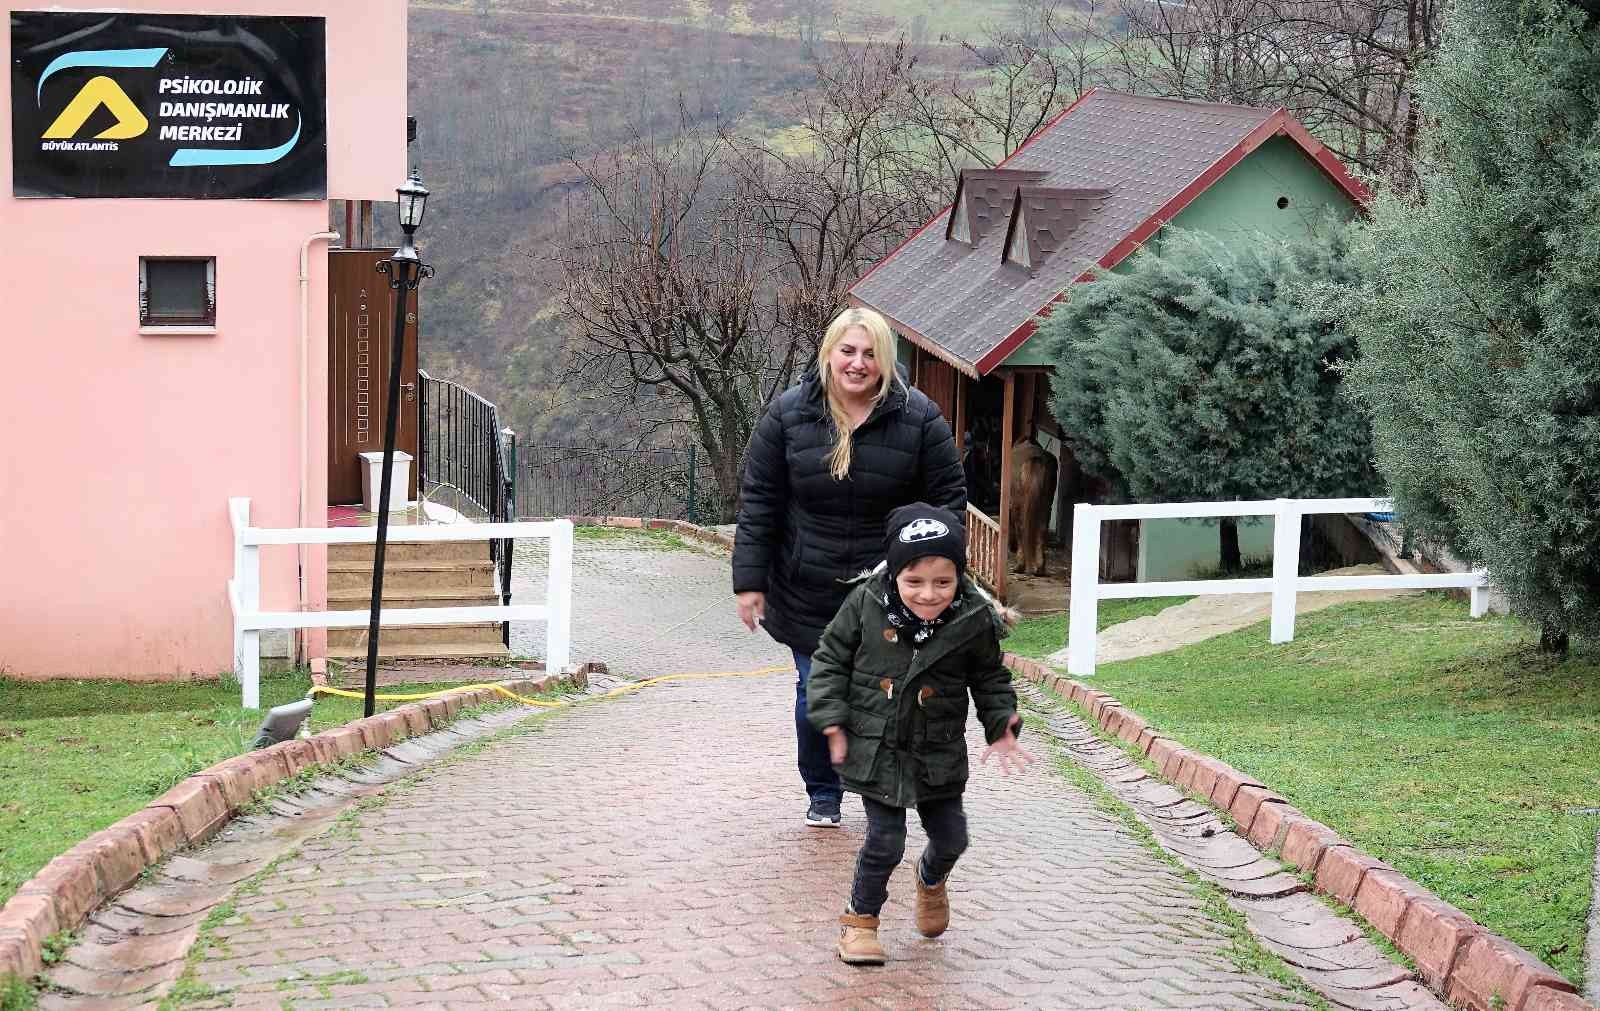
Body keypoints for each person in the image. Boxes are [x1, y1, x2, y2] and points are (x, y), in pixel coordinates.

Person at [733, 306, 965, 828]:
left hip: (888, 594)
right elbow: (760, 503)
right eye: (848, 351)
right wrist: (749, 581)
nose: (857, 364)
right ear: (829, 354)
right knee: (818, 692)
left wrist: (933, 571)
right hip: (807, 586)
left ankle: (880, 785)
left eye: (870, 354)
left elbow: (948, 502)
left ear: (885, 361)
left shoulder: (919, 419)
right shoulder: (788, 416)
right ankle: (823, 790)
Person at [806, 502, 1033, 965]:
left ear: (959, 576)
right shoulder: (866, 603)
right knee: (885, 841)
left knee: (952, 839)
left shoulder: (973, 619)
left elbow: (989, 678)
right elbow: (828, 659)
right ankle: (860, 922)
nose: (929, 595)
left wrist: (1002, 725)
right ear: (894, 575)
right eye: (915, 582)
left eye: (943, 582)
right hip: (877, 746)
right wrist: (830, 715)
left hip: (938, 749)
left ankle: (930, 879)